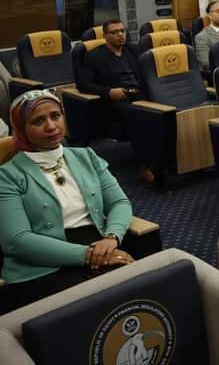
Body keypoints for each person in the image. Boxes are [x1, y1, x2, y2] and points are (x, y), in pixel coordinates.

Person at [0, 91, 134, 314]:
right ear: (21, 129)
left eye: (55, 116)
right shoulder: (7, 175)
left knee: (137, 293)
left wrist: (111, 238)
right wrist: (89, 255)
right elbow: (17, 241)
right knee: (95, 309)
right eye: (38, 121)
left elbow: (119, 202)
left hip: (99, 242)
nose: (51, 126)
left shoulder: (86, 156)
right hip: (41, 263)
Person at [77, 19, 153, 184]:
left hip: (139, 94)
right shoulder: (94, 56)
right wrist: (108, 92)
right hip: (115, 101)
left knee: (163, 111)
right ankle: (146, 165)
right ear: (105, 35)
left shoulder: (134, 50)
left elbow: (148, 74)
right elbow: (84, 85)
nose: (120, 35)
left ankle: (166, 158)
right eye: (114, 32)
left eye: (122, 31)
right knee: (137, 116)